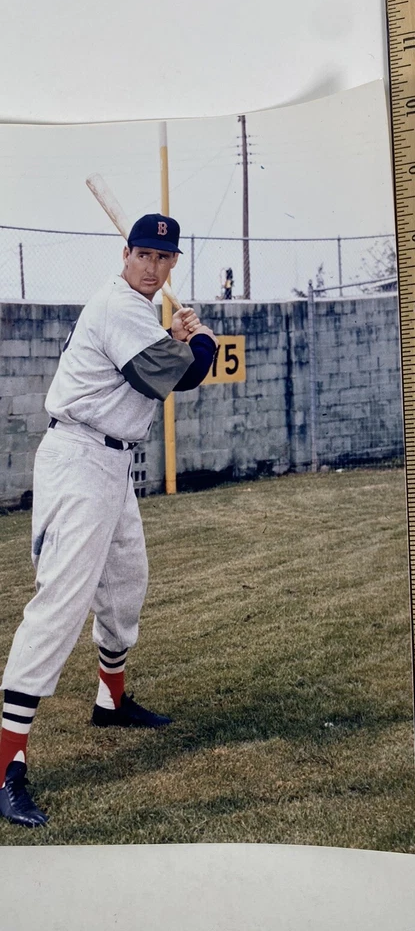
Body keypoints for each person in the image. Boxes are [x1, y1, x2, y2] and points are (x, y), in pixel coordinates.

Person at [0, 213, 218, 828]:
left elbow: (149, 363)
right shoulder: (119, 304)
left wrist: (172, 336)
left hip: (111, 462)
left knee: (125, 584)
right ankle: (6, 765)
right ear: (126, 254)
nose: (153, 266)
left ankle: (110, 702)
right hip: (79, 459)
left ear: (173, 263)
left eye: (163, 258)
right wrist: (200, 340)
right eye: (143, 254)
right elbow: (182, 375)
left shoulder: (135, 310)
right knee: (60, 604)